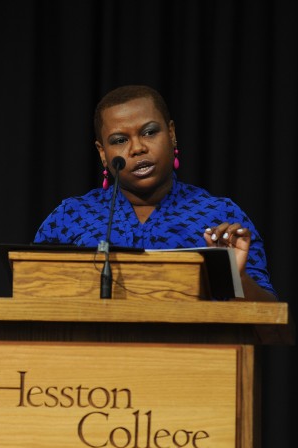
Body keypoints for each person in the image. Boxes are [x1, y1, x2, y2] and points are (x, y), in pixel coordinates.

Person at [33, 84, 276, 301]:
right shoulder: (69, 217)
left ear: (171, 134)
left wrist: (238, 277)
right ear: (103, 153)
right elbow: (30, 299)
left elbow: (270, 327)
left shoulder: (220, 215)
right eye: (119, 140)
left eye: (149, 132)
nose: (137, 148)